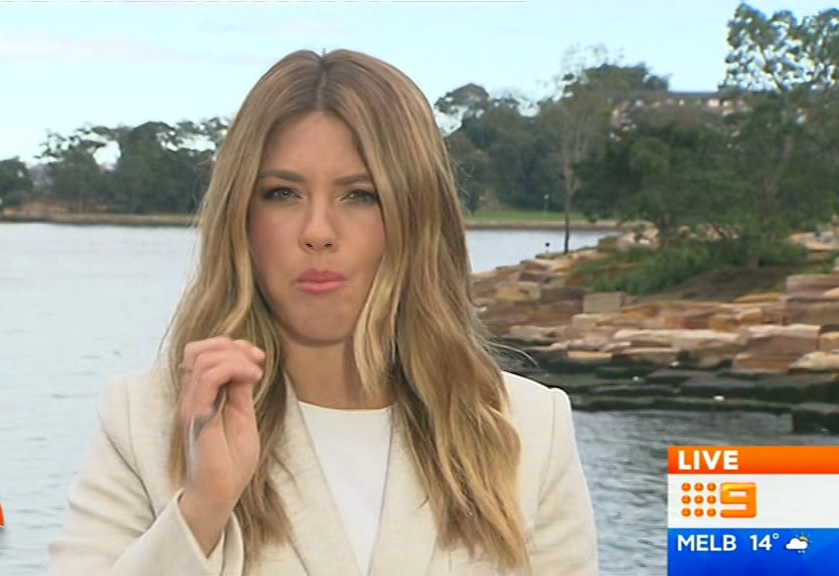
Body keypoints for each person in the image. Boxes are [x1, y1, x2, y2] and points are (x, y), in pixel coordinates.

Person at [48, 48, 598, 576]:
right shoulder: (144, 419)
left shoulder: (530, 426)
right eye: (282, 193)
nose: (317, 232)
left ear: (417, 216)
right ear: (241, 218)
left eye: (360, 195)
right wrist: (202, 510)